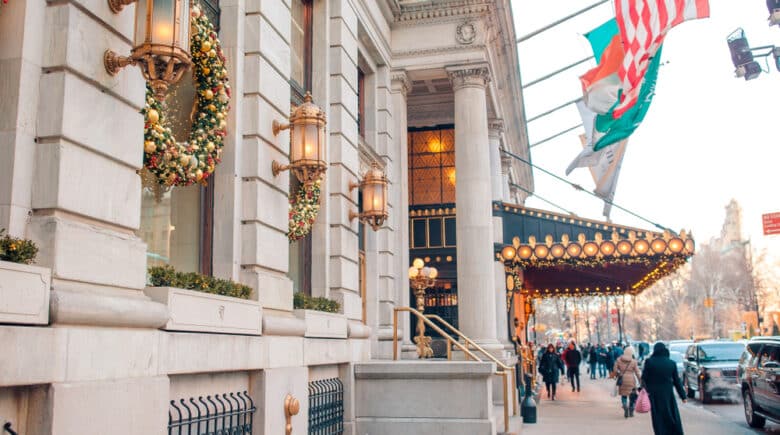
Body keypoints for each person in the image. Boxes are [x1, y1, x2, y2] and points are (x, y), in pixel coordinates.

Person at [642, 342, 686, 435]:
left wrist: (643, 390)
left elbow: (644, 378)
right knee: (671, 414)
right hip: (668, 394)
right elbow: (677, 381)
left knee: (658, 417)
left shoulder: (649, 362)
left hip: (654, 395)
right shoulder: (671, 363)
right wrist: (683, 396)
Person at [613, 346, 640, 418]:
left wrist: (617, 374)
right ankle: (631, 410)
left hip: (622, 380)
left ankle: (625, 405)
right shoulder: (634, 361)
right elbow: (637, 372)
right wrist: (640, 381)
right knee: (632, 396)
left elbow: (615, 370)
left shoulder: (618, 360)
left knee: (623, 395)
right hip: (631, 380)